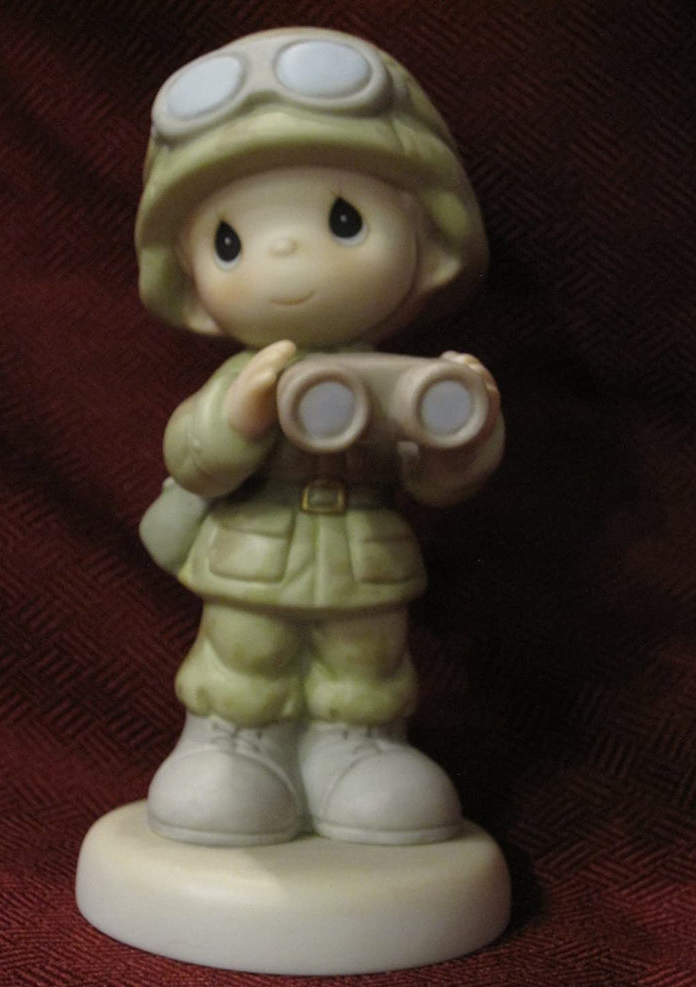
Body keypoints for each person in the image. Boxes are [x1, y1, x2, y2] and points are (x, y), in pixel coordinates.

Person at [135, 27, 504, 846]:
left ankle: (357, 748)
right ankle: (233, 744)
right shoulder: (244, 376)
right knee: (245, 652)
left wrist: (459, 434)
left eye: (343, 220)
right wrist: (241, 415)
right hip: (253, 556)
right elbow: (189, 455)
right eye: (230, 242)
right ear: (190, 278)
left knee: (364, 660)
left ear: (428, 239)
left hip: (364, 559)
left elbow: (432, 479)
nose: (286, 252)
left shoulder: (401, 376)